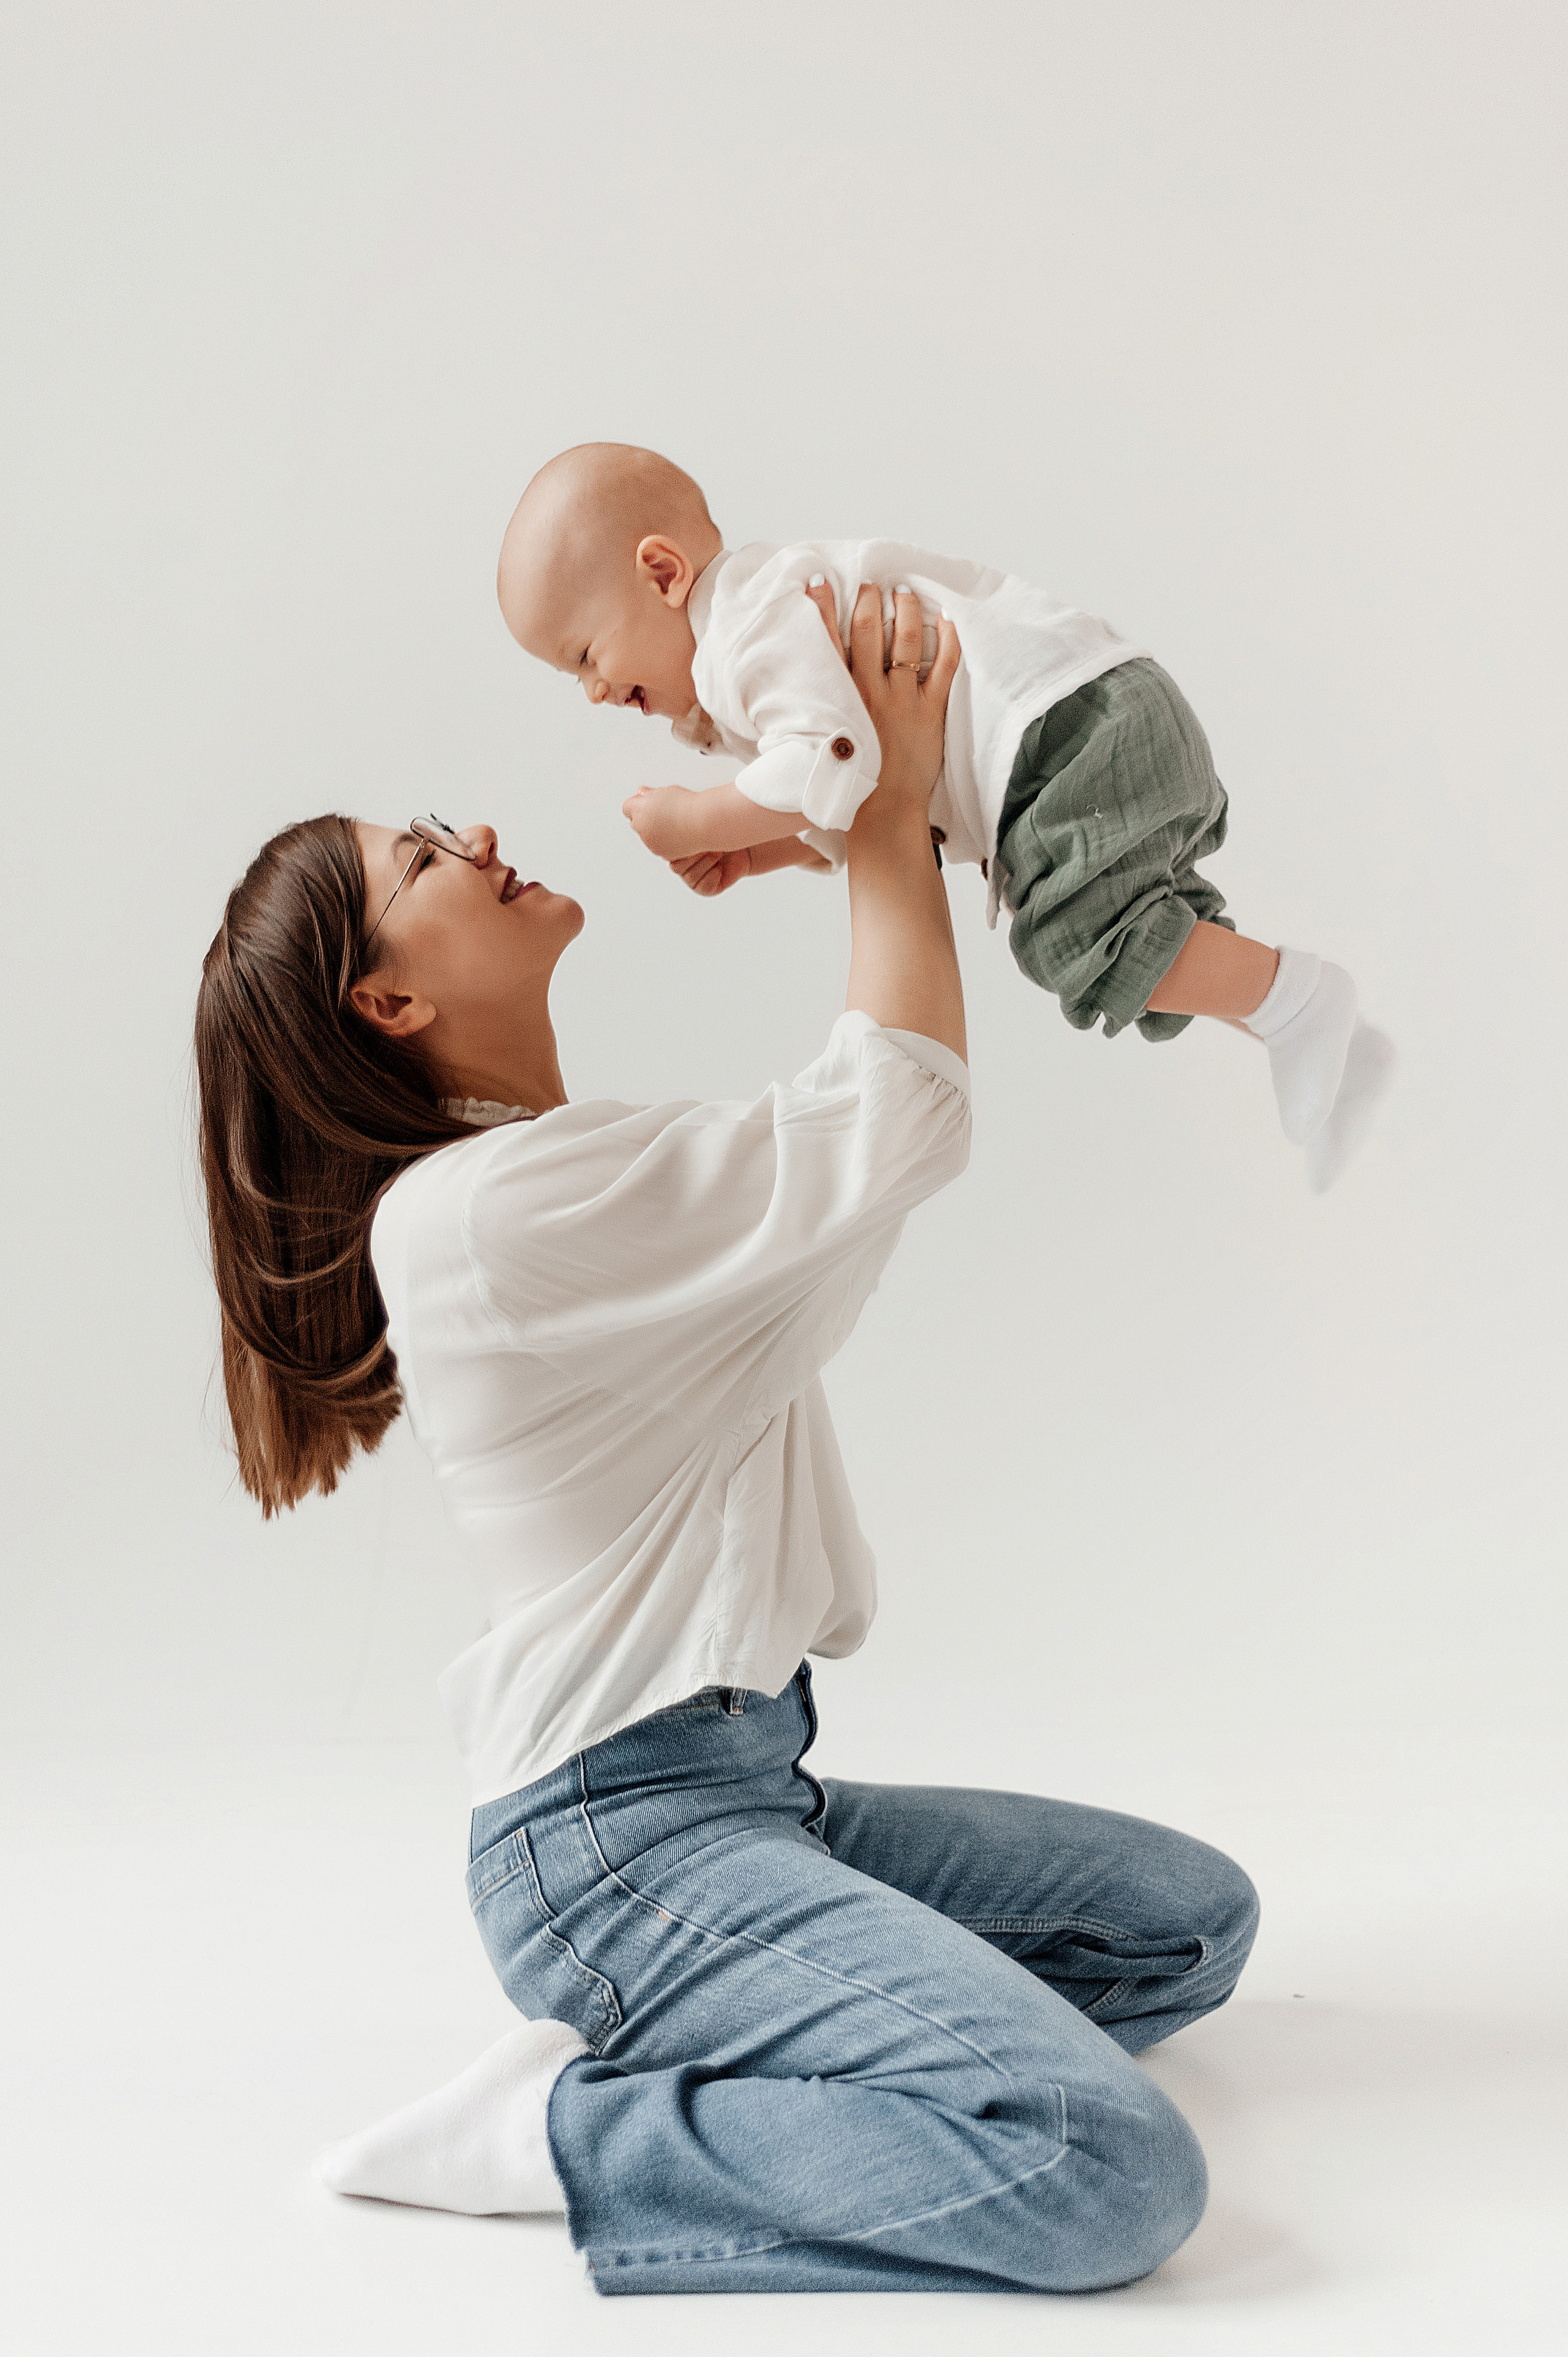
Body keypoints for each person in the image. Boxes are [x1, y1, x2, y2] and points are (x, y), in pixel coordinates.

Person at [195, 585, 1257, 2297]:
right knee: (1103, 2169)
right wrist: (880, 810)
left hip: (757, 1796)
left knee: (1186, 1926)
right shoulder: (480, 1215)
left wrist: (844, 816)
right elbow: (892, 1119)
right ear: (384, 1002)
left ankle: (783, 2030)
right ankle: (564, 2134)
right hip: (618, 1849)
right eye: (418, 862)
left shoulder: (554, 1183)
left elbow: (856, 1167)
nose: (473, 839)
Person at [496, 442, 1396, 1195]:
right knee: (1157, 935)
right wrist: (764, 853)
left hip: (1067, 736)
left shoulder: (744, 629)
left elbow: (830, 759)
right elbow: (855, 787)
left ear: (662, 573)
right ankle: (1324, 1039)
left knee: (1083, 941)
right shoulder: (752, 638)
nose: (595, 691)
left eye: (587, 655)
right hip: (1087, 724)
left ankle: (1305, 1002)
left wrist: (699, 821)